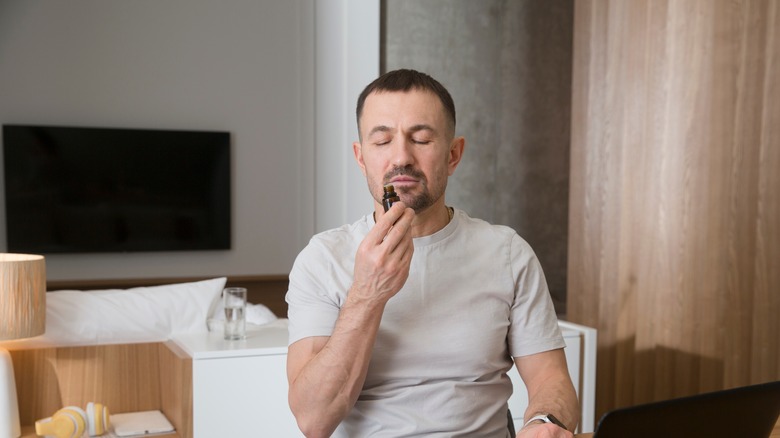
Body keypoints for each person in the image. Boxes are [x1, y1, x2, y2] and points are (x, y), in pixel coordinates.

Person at [286, 69, 579, 438]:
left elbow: (551, 378)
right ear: (361, 159)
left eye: (421, 139)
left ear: (453, 154)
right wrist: (367, 293)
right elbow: (313, 419)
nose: (401, 157)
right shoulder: (322, 259)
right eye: (382, 141)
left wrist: (546, 421)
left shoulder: (507, 253)